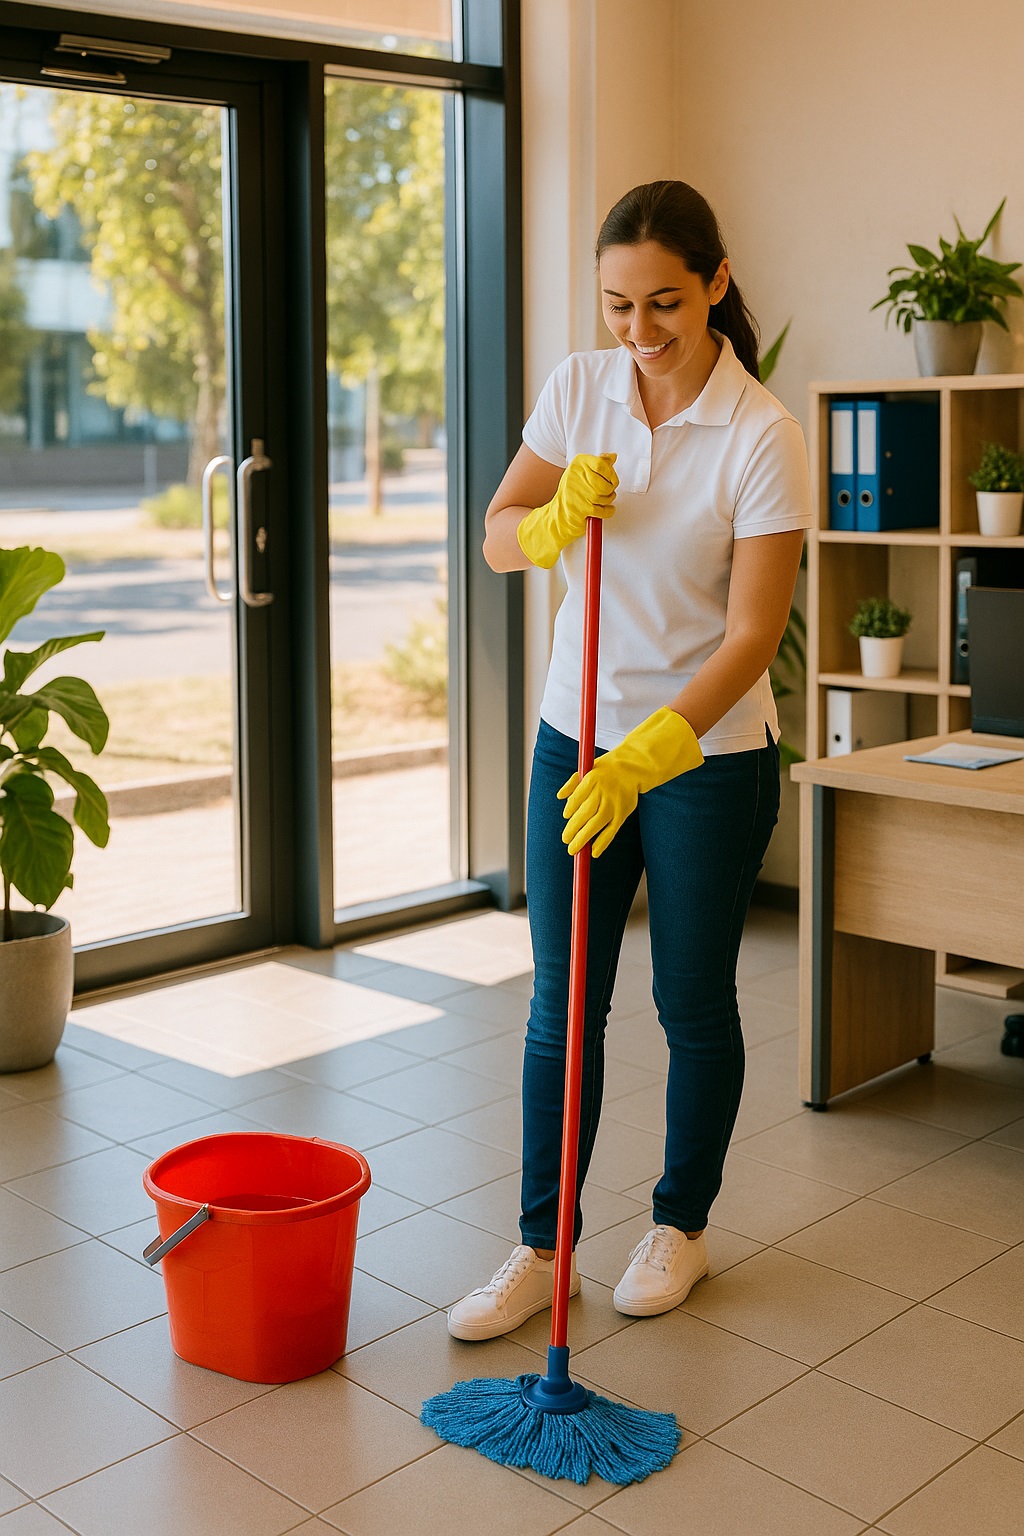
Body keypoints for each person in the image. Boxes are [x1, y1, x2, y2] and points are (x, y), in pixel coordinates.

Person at [447, 180, 812, 1341]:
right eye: (617, 305)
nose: (640, 330)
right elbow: (498, 536)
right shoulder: (579, 388)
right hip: (574, 735)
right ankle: (537, 1243)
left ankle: (681, 1227)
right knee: (562, 1004)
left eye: (663, 301)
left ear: (713, 282)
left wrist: (650, 752)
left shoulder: (762, 432)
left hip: (702, 758)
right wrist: (549, 525)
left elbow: (752, 634)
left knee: (690, 1000)